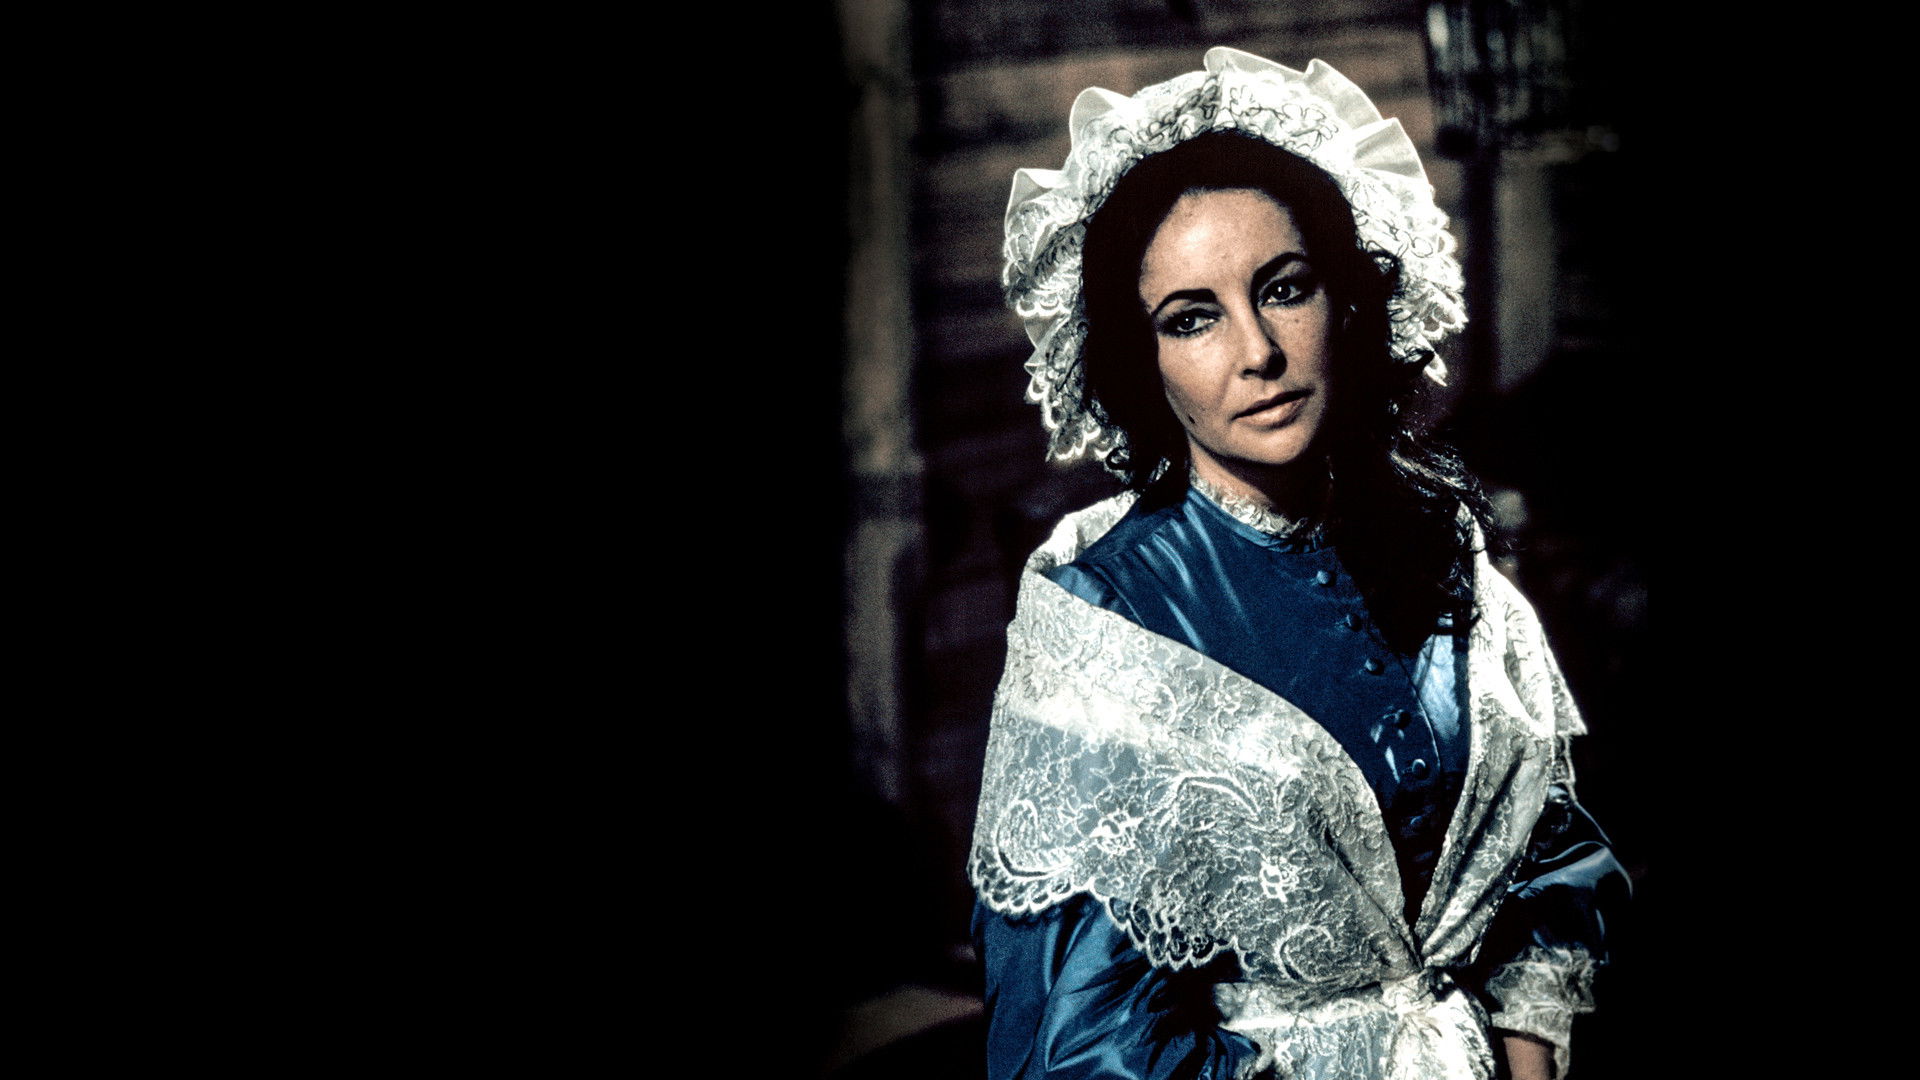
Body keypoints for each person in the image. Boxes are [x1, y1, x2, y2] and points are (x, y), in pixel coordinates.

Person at [967, 49, 1628, 1080]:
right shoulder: (1105, 612)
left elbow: (1545, 854)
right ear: (1143, 361)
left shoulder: (1436, 541)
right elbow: (1085, 1044)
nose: (1258, 352)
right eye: (1193, 318)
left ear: (1345, 300)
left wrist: (1525, 1047)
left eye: (1283, 290)